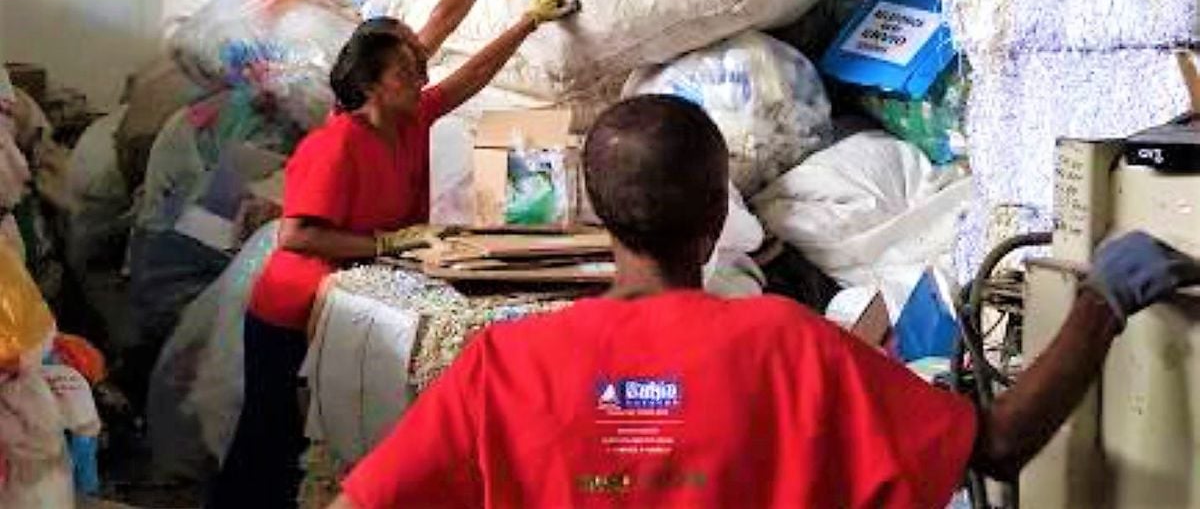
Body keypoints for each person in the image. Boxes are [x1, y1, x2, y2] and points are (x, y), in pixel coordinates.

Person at [329, 94, 1200, 509]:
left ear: (597, 216)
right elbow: (1000, 444)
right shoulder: (794, 348)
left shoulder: (501, 368)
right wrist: (1100, 302)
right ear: (719, 217)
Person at [209, 0, 581, 508]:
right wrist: (388, 244)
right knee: (268, 439)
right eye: (409, 68)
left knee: (318, 440)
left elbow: (470, 73)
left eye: (418, 64)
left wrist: (525, 19)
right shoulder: (336, 143)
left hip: (347, 301)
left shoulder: (411, 116)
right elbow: (296, 238)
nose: (424, 71)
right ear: (377, 83)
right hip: (291, 308)